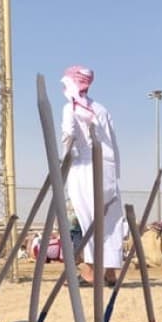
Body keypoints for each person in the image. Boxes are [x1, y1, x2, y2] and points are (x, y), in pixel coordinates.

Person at [60, 65, 124, 287]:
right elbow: (113, 144)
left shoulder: (70, 109)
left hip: (84, 168)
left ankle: (89, 272)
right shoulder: (101, 109)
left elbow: (68, 136)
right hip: (107, 169)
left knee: (88, 219)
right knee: (110, 220)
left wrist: (64, 161)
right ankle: (110, 272)